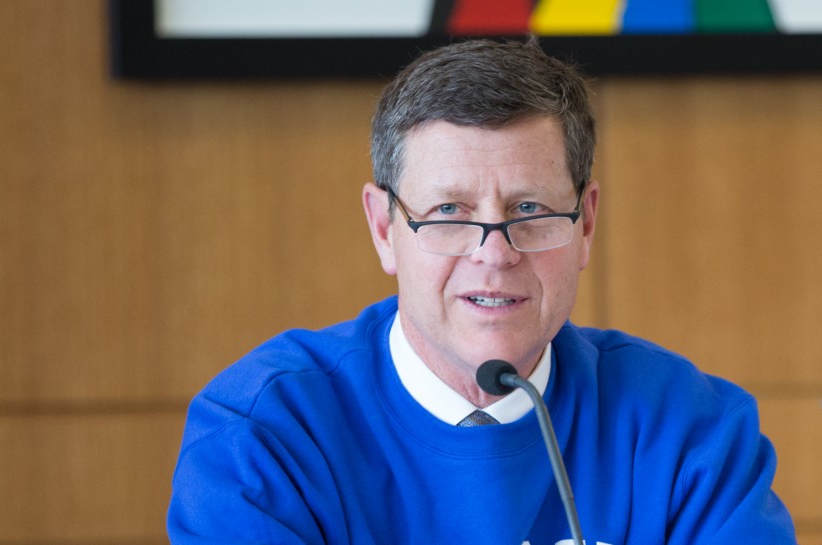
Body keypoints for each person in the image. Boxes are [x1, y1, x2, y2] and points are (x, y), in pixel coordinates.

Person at [167, 38, 796, 544]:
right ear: (386, 229)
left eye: (530, 208)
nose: (495, 253)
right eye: (448, 211)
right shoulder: (264, 434)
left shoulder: (687, 428)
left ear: (586, 226)